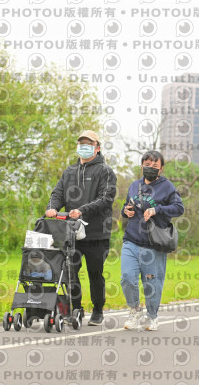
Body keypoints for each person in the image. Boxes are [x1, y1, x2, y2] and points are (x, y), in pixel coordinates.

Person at [45, 130, 117, 325]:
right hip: (70, 232)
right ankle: (75, 309)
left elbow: (106, 198)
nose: (84, 147)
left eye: (89, 144)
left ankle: (98, 310)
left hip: (96, 233)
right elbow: (57, 193)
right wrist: (52, 208)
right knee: (69, 272)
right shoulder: (69, 171)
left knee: (95, 273)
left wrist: (82, 210)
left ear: (97, 148)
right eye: (81, 143)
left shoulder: (105, 172)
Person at [120, 151, 184, 331]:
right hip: (131, 240)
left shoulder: (167, 187)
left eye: (155, 166)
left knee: (152, 283)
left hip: (154, 243)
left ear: (161, 169)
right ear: (141, 166)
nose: (150, 168)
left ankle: (152, 316)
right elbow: (126, 206)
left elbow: (179, 208)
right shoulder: (135, 185)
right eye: (147, 164)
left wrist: (157, 210)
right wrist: (126, 211)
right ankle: (134, 310)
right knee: (127, 277)